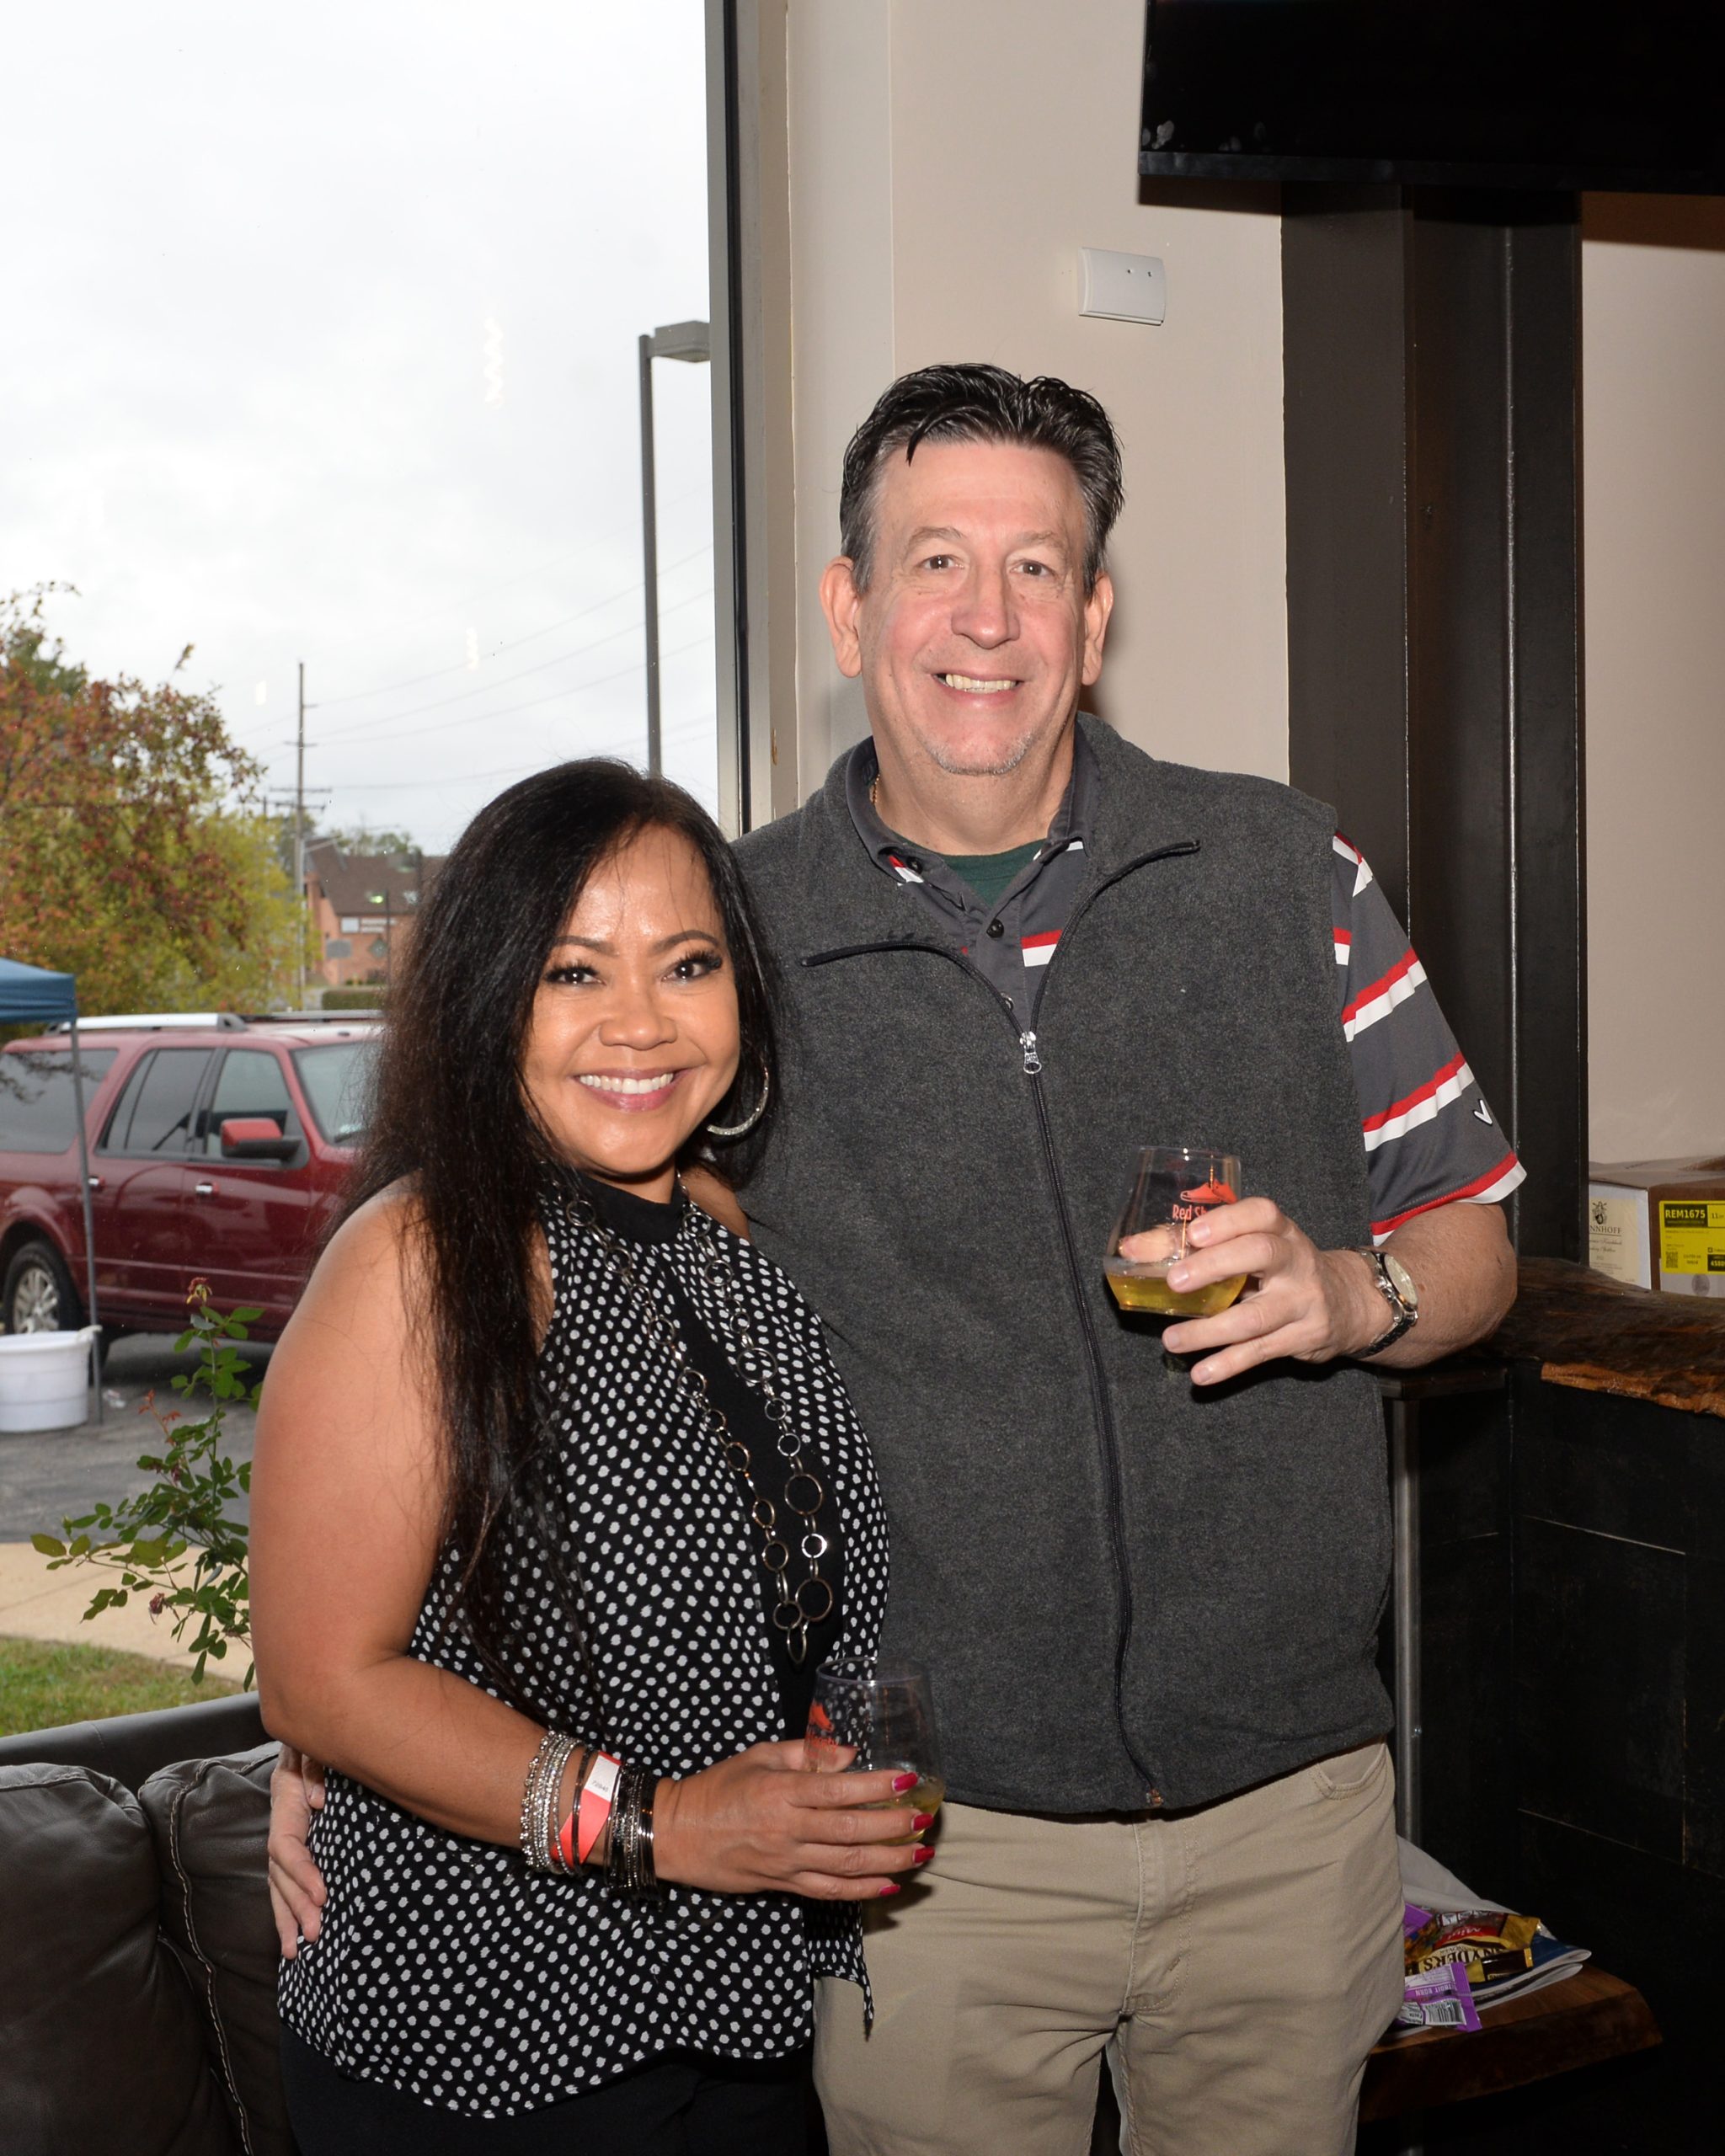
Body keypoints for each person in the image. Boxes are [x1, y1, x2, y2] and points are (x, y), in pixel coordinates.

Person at [274, 368, 1521, 2155]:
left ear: (1096, 616)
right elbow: (473, 1278)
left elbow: (1473, 1243)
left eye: (1038, 566)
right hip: (929, 1857)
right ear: (851, 608)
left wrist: (1349, 1295)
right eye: (936, 560)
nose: (987, 618)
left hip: (1286, 1816)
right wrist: (332, 1735)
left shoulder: (1284, 869)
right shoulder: (725, 942)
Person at [251, 762, 926, 2155]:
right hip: (485, 2041)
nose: (641, 1022)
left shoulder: (722, 1234)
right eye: (573, 972)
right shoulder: (422, 1257)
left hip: (736, 2005)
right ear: (488, 997)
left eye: (687, 964)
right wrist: (667, 1828)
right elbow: (323, 1678)